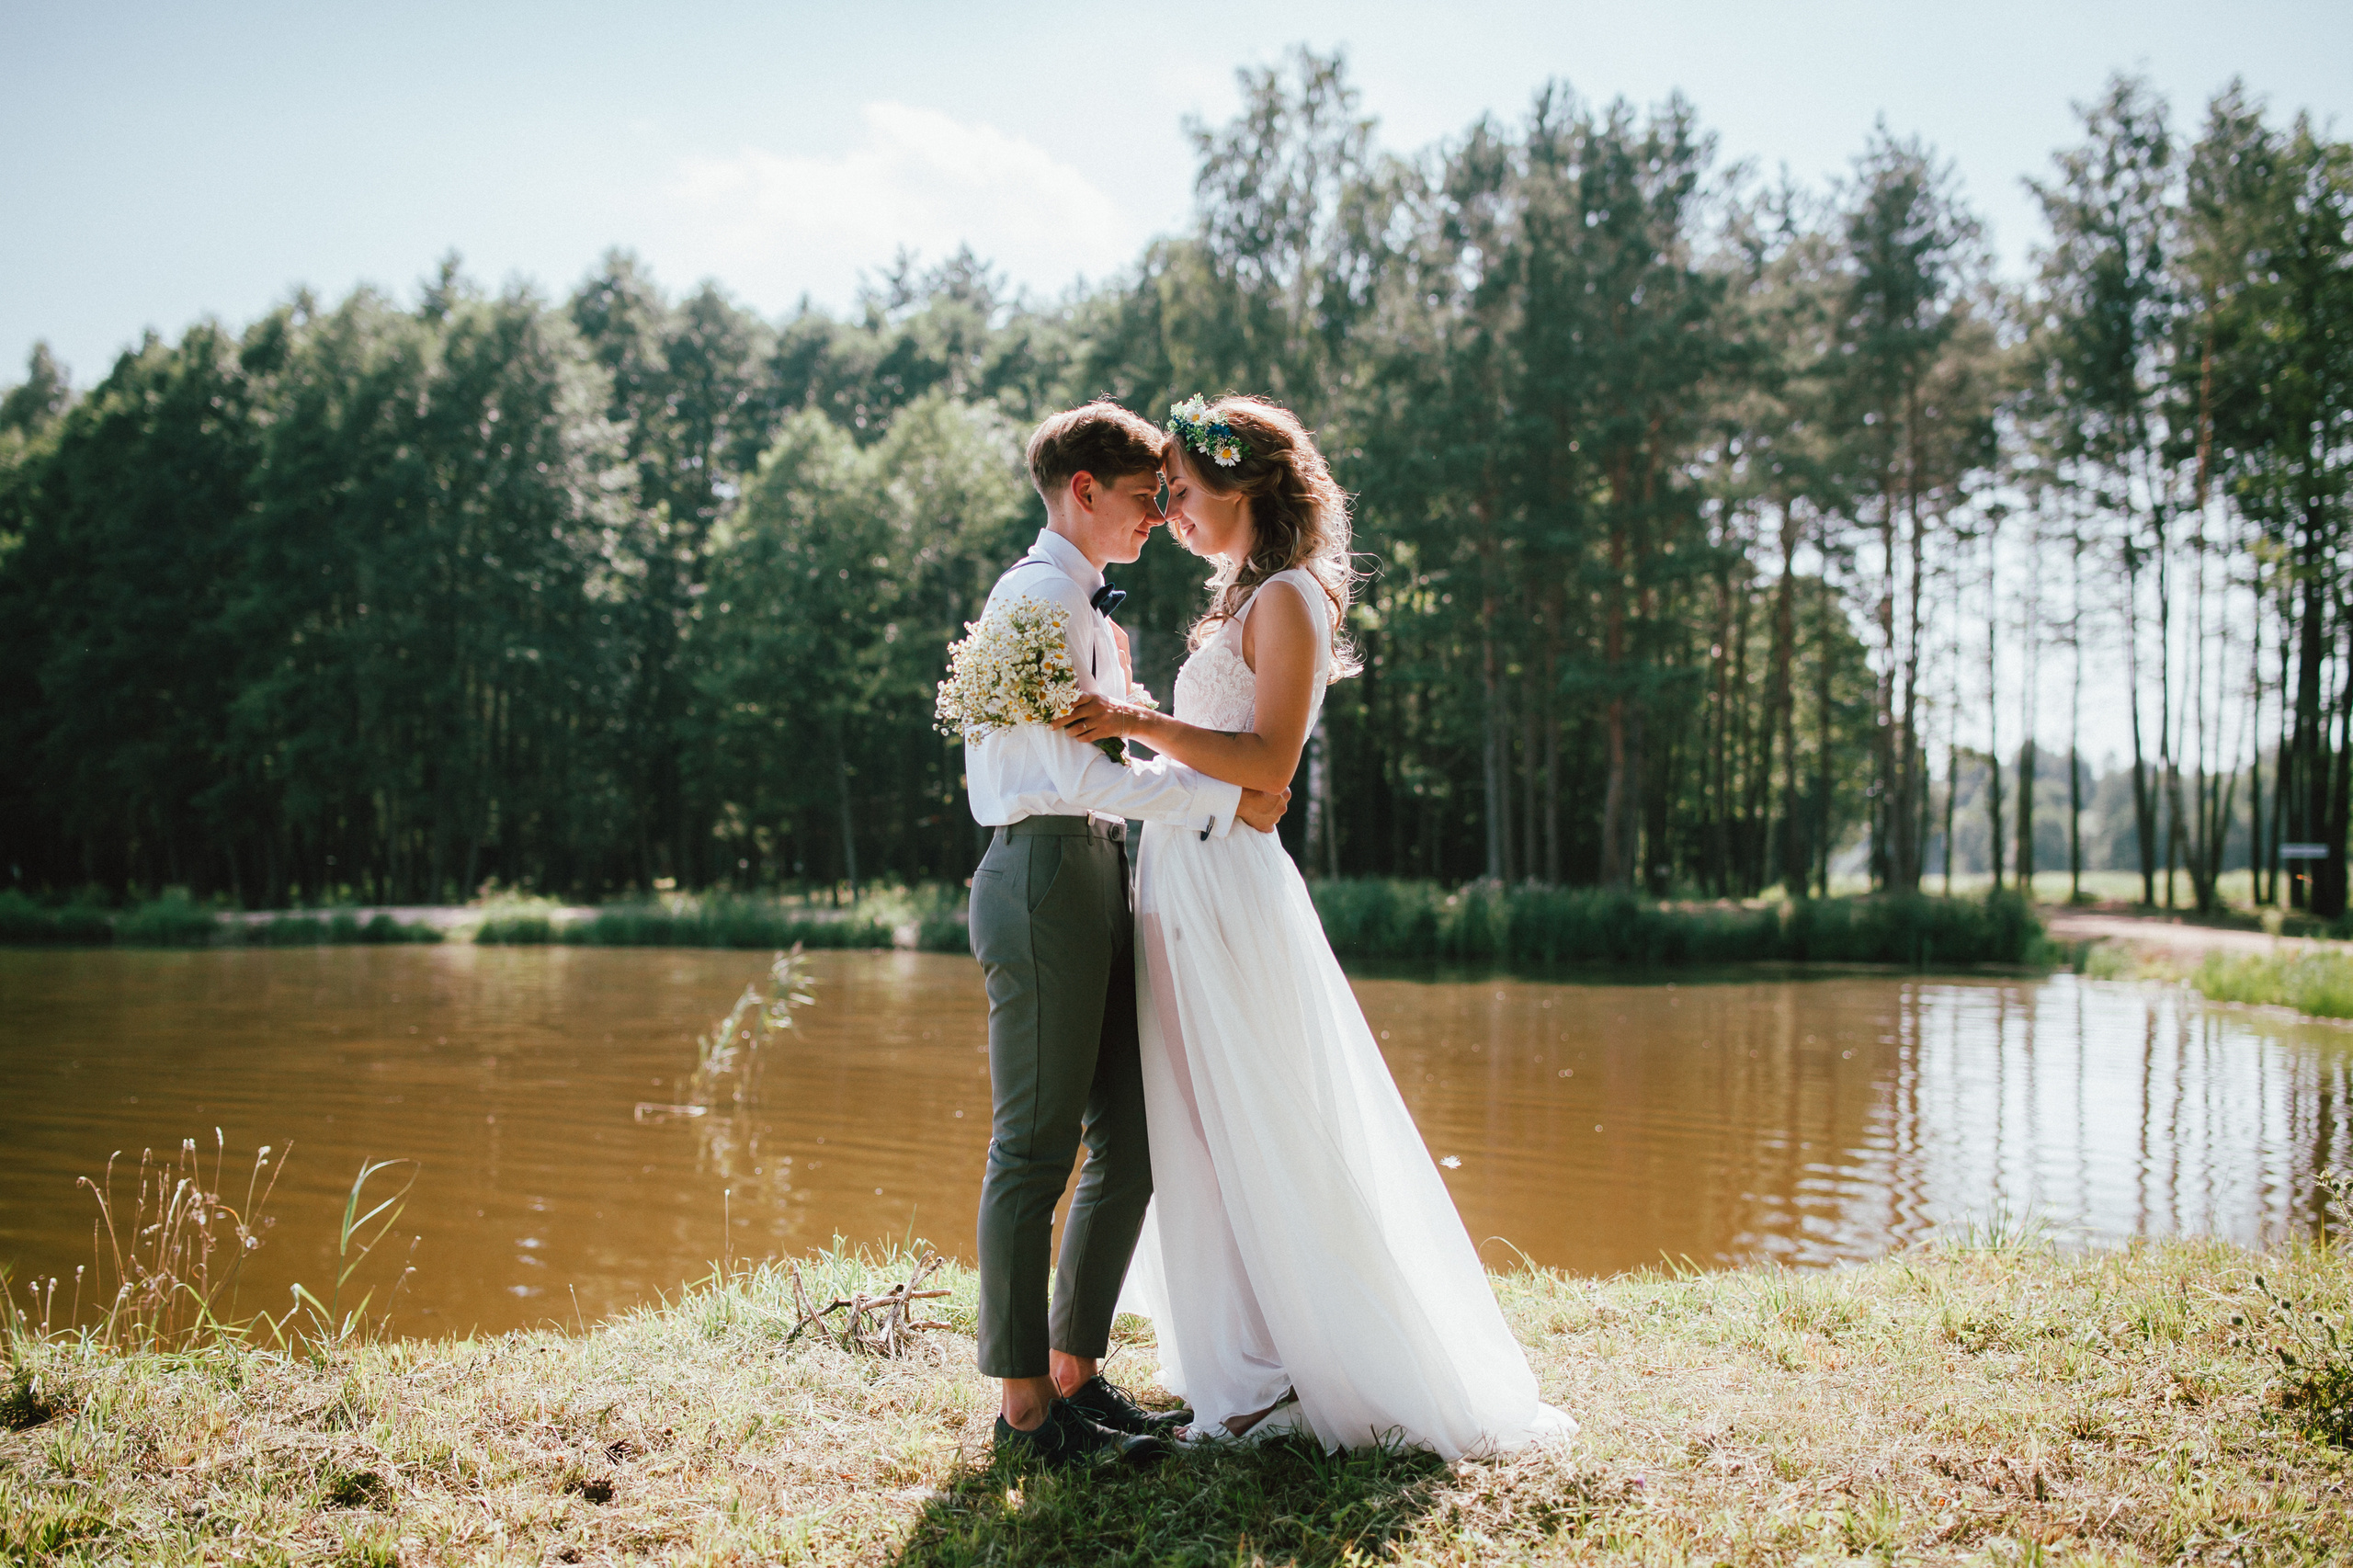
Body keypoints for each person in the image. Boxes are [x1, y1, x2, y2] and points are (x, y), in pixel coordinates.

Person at [1059, 394, 1575, 1459]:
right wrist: (1153, 734)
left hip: (1227, 887)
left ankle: (1298, 1362)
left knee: (1257, 1113)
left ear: (1243, 483)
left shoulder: (1290, 596)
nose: (1171, 512)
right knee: (1198, 1124)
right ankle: (1247, 1361)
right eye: (1166, 495)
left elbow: (1268, 764)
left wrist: (1139, 721)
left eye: (1183, 492)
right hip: (1181, 873)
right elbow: (1231, 765)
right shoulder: (1241, 601)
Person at [963, 400, 1291, 1470]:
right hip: (1044, 871)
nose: (1159, 515)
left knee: (1134, 1139)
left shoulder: (1087, 612)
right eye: (1146, 497)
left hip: (1099, 866)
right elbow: (1068, 773)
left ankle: (1074, 1369)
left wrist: (1193, 785)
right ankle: (1024, 1408)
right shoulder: (1036, 598)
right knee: (1033, 1144)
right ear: (1085, 490)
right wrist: (1214, 799)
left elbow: (1102, 763)